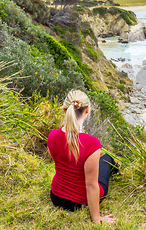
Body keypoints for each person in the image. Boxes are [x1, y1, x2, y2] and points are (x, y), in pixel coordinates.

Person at [47, 90, 118, 224]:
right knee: (107, 159)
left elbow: (60, 160)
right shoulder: (91, 143)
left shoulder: (52, 136)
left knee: (98, 163)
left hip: (56, 197)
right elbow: (91, 186)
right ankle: (117, 169)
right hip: (78, 203)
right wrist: (97, 219)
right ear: (87, 110)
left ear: (64, 110)